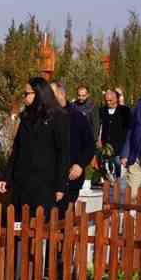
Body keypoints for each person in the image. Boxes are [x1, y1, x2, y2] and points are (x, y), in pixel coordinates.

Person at [0, 77, 70, 212]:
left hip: (45, 185)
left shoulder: (58, 117)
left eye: (27, 93)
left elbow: (63, 153)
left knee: (39, 227)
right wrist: (6, 177)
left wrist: (60, 186)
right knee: (19, 225)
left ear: (39, 94)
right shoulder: (26, 117)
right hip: (22, 182)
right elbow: (17, 149)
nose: (24, 97)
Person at [52, 81, 96, 210]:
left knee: (63, 217)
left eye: (51, 94)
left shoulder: (77, 117)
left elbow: (89, 145)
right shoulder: (47, 116)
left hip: (71, 176)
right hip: (49, 177)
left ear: (61, 94)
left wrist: (80, 164)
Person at [97, 88, 132, 179]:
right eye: (106, 100)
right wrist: (99, 139)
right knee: (105, 165)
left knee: (117, 163)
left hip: (120, 144)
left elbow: (129, 127)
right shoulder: (102, 110)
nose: (108, 102)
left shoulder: (124, 110)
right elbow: (100, 126)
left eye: (110, 100)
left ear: (116, 99)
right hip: (106, 143)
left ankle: (119, 181)